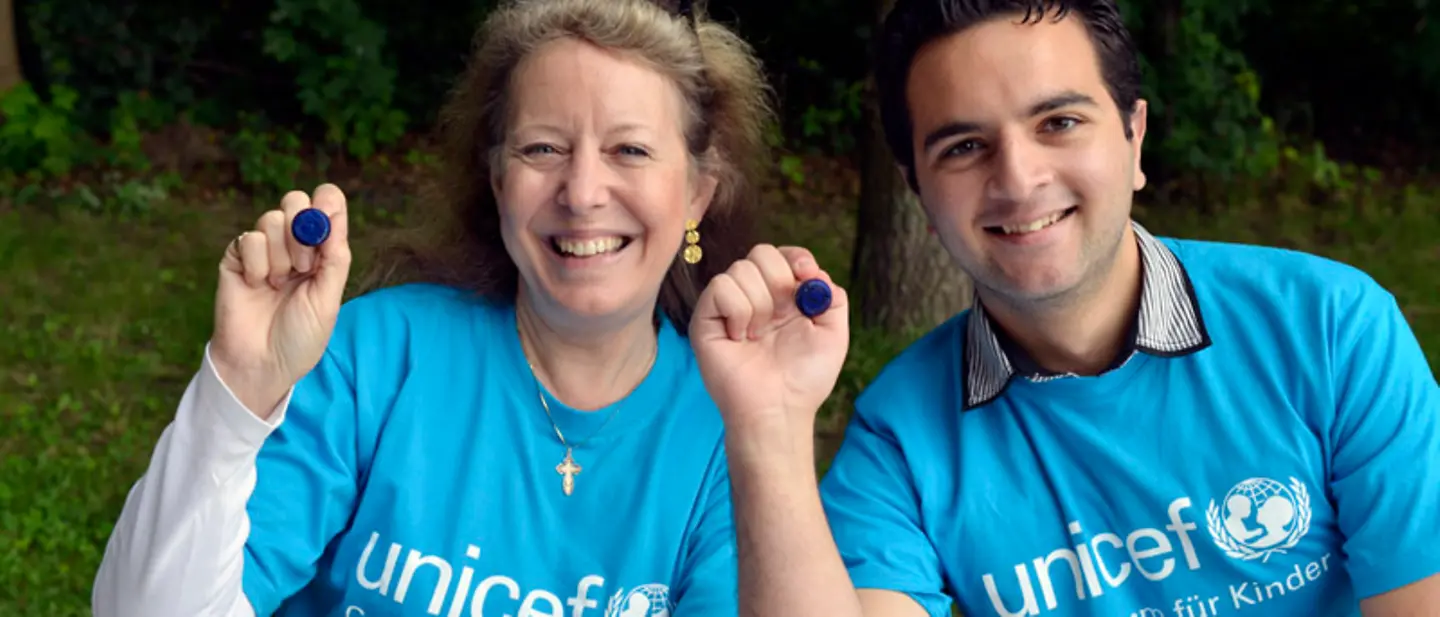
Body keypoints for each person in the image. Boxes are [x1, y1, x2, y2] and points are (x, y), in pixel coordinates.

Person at [687, 1, 1440, 616]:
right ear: (918, 193)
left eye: (1059, 123)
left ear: (1133, 136)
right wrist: (771, 424)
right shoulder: (903, 433)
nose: (1018, 178)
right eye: (964, 146)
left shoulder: (1329, 328)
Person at [91, 0, 775, 615]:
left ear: (697, 193)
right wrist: (237, 387)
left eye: (630, 149)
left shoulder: (730, 430)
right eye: (544, 148)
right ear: (497, 177)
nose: (583, 191)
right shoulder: (377, 356)